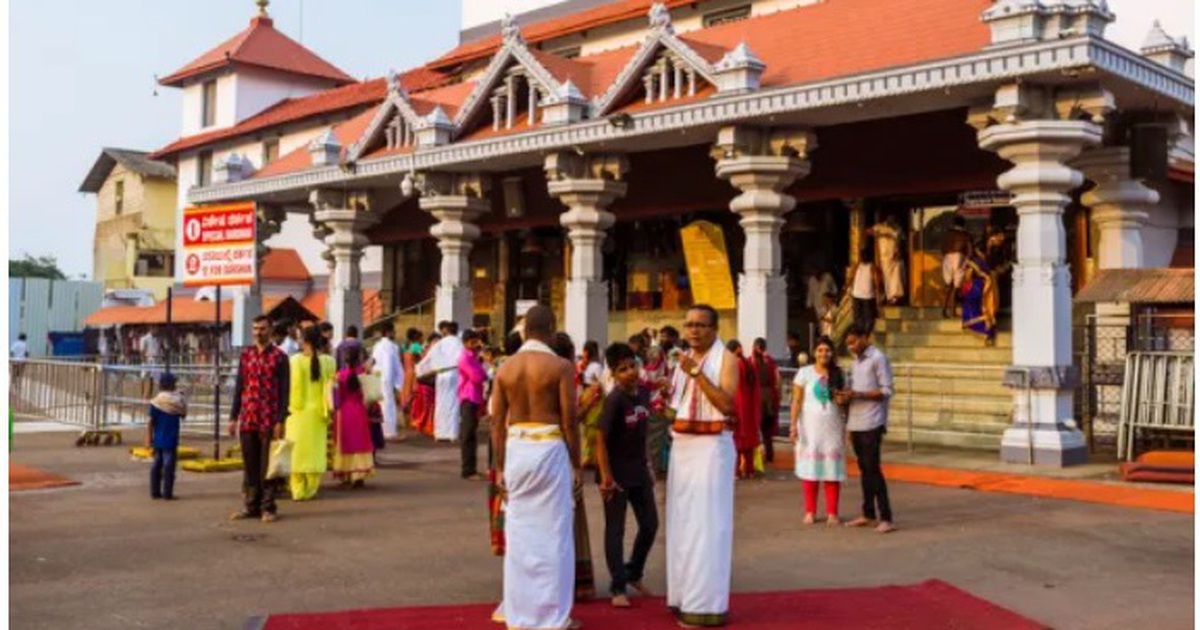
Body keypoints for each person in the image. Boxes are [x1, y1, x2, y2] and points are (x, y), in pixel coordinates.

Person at [490, 306, 580, 630]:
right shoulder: (560, 366)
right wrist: (576, 464)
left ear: (525, 330)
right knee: (554, 534)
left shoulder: (505, 368)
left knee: (520, 534)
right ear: (552, 329)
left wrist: (501, 468)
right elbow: (570, 420)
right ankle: (552, 616)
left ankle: (520, 613)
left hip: (517, 448)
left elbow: (496, 423)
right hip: (549, 447)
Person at [667, 304, 739, 627]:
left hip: (711, 449)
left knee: (707, 526)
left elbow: (726, 405)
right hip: (682, 447)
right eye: (689, 325)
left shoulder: (727, 360)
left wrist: (697, 373)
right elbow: (675, 409)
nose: (693, 330)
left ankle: (704, 605)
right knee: (682, 524)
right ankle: (683, 597)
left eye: (700, 325)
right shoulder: (682, 360)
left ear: (715, 329)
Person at [596, 342, 658, 609]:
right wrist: (606, 477)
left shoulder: (643, 393)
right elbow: (600, 440)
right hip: (616, 476)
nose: (630, 372)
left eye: (633, 366)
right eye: (623, 369)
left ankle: (634, 573)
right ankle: (618, 586)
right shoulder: (614, 400)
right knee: (616, 530)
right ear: (613, 373)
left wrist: (649, 465)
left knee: (650, 524)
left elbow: (644, 434)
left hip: (639, 471)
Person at [228, 315, 290, 523]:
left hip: (269, 419)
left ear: (270, 330)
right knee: (250, 465)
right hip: (248, 417)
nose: (258, 332)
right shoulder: (246, 355)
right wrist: (233, 416)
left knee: (267, 466)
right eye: (255, 328)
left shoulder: (280, 357)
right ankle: (251, 505)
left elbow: (285, 391)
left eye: (262, 329)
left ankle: (268, 507)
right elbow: (239, 386)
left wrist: (281, 420)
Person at [550, 331, 597, 602]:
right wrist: (586, 406)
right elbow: (567, 420)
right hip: (561, 450)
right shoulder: (563, 373)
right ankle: (570, 581)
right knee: (568, 517)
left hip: (536, 450)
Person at [840, 324, 896, 534]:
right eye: (848, 344)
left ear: (864, 337)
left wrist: (858, 394)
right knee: (864, 469)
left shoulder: (878, 358)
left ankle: (886, 517)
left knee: (873, 469)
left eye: (854, 342)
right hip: (856, 421)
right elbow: (854, 391)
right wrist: (846, 397)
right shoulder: (855, 362)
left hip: (872, 421)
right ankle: (868, 513)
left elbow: (886, 390)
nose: (851, 347)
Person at [790, 335, 847, 526]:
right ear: (814, 353)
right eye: (820, 350)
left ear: (832, 353)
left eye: (827, 350)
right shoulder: (804, 373)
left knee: (832, 471)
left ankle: (832, 512)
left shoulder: (839, 373)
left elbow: (844, 402)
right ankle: (810, 511)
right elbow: (797, 401)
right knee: (811, 470)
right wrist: (793, 426)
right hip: (810, 429)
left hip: (833, 428)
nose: (824, 353)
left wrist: (842, 400)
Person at [286, 326, 335, 501]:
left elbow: (291, 388)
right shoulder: (329, 362)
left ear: (304, 340)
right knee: (315, 451)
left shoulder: (294, 361)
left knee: (296, 453)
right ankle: (312, 488)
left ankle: (297, 490)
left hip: (297, 413)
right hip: (318, 413)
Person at [332, 345, 374, 488]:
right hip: (359, 411)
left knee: (346, 443)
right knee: (360, 443)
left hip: (344, 412)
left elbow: (336, 397)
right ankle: (359, 476)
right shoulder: (364, 372)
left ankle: (346, 476)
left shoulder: (339, 375)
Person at [419, 321, 464, 442]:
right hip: (454, 373)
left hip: (440, 374)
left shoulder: (440, 343)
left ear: (446, 331)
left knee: (440, 403)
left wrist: (420, 370)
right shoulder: (459, 343)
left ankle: (439, 433)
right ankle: (452, 434)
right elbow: (463, 359)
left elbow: (428, 358)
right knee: (453, 403)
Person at [146, 372, 187, 501]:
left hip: (158, 439)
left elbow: (150, 422)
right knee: (169, 467)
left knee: (156, 465)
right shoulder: (178, 401)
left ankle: (155, 491)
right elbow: (183, 414)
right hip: (171, 439)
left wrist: (148, 439)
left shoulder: (156, 402)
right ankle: (167, 493)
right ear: (172, 385)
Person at [727, 340, 761, 480]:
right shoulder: (749, 364)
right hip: (749, 406)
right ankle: (749, 470)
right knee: (749, 441)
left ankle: (736, 472)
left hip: (737, 405)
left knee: (736, 441)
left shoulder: (734, 365)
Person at [458, 329, 488, 480]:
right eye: (473, 342)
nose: (476, 344)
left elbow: (483, 375)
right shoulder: (465, 358)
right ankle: (468, 470)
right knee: (468, 434)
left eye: (477, 341)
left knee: (472, 435)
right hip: (468, 397)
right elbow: (478, 377)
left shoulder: (473, 357)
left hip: (474, 397)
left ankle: (472, 468)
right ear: (466, 343)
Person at [369, 323, 405, 439]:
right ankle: (389, 432)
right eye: (393, 331)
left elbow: (373, 362)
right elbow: (394, 365)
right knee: (388, 405)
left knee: (380, 404)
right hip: (387, 379)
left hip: (378, 377)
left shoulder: (377, 346)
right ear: (388, 332)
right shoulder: (393, 347)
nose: (394, 333)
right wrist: (397, 383)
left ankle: (381, 431)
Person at [641, 346, 672, 478]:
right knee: (655, 441)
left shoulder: (646, 372)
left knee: (654, 441)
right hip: (656, 409)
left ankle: (653, 469)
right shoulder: (663, 371)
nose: (653, 358)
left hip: (655, 409)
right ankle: (654, 468)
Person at [960, 242, 998, 346]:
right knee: (979, 313)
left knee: (967, 321)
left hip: (975, 288)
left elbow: (969, 276)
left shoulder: (973, 262)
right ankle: (988, 327)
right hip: (981, 288)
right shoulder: (984, 263)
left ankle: (986, 325)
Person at [751, 338, 782, 466]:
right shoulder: (771, 361)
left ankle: (755, 458)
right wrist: (777, 396)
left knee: (754, 429)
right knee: (767, 431)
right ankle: (769, 456)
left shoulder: (750, 361)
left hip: (756, 397)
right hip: (769, 397)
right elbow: (778, 380)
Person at [577, 341, 605, 469]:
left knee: (590, 426)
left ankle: (591, 457)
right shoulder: (595, 366)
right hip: (592, 395)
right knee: (591, 425)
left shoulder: (592, 367)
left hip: (591, 395)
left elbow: (598, 384)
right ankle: (591, 457)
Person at [846, 244, 883, 335]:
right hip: (860, 295)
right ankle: (861, 334)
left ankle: (864, 334)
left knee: (864, 318)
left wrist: (878, 296)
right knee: (861, 317)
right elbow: (852, 278)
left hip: (864, 296)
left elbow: (876, 283)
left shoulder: (869, 267)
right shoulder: (860, 266)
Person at [942, 215, 972, 319]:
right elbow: (970, 251)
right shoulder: (965, 234)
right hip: (959, 257)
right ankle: (953, 311)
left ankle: (944, 309)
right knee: (955, 286)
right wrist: (967, 262)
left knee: (948, 284)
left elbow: (943, 248)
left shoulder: (947, 234)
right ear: (963, 224)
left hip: (947, 257)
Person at [871, 216, 905, 305]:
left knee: (896, 275)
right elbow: (868, 231)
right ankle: (890, 297)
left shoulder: (897, 228)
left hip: (894, 255)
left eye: (893, 220)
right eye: (890, 219)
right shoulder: (880, 227)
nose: (892, 221)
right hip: (884, 257)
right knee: (886, 277)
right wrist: (878, 234)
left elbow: (901, 240)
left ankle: (895, 296)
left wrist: (898, 251)